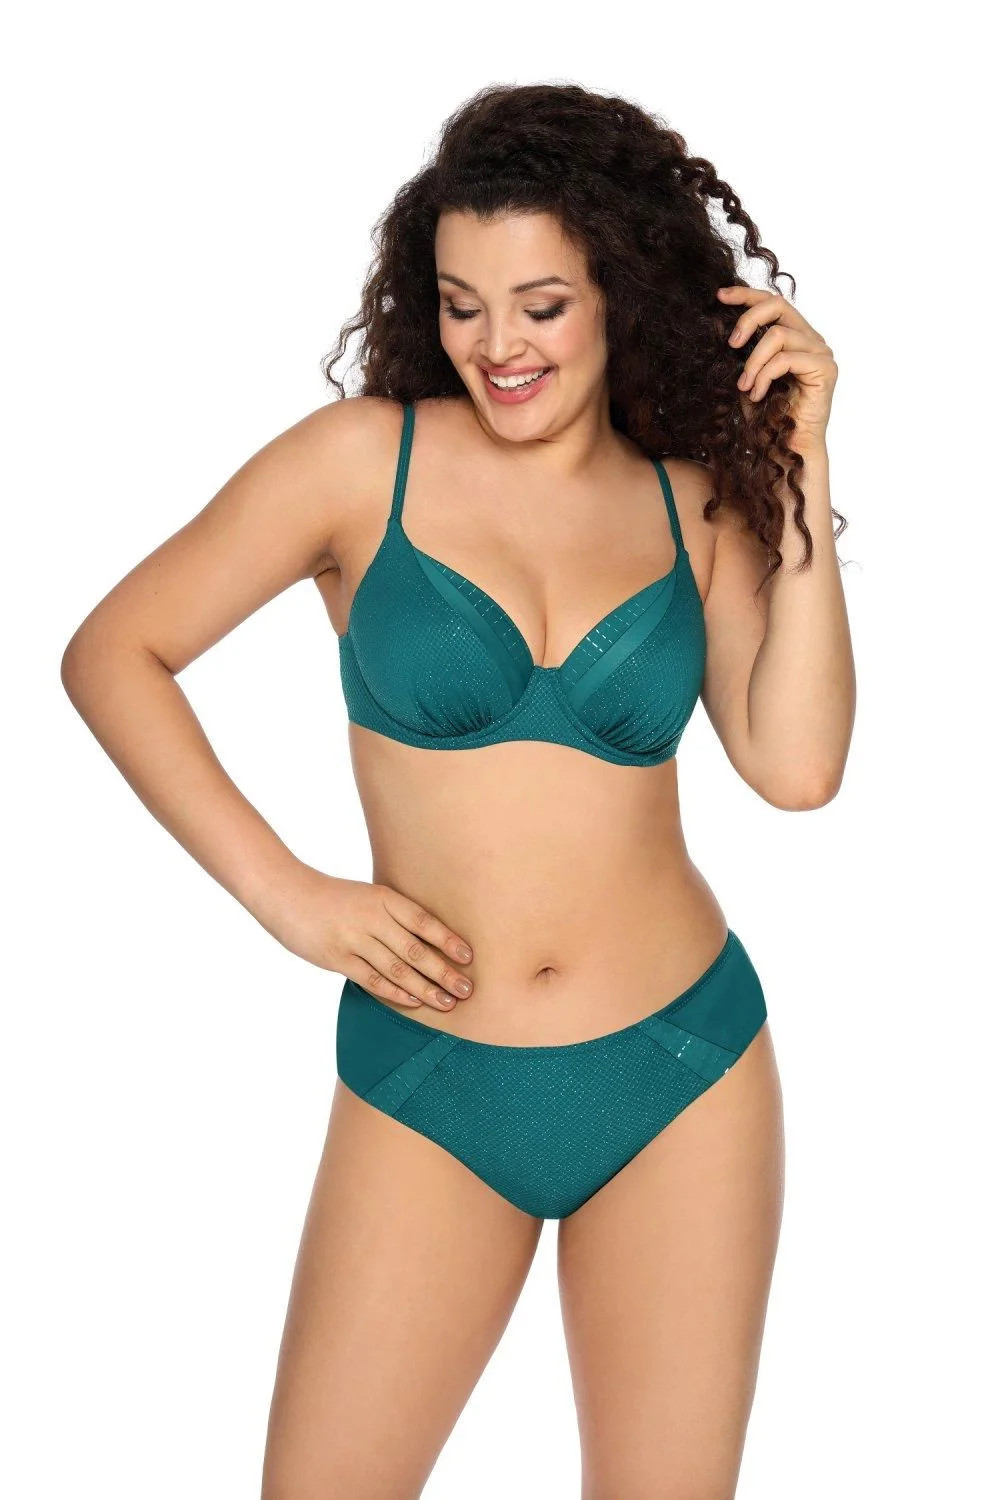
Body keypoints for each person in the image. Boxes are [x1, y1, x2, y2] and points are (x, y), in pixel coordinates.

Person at [61, 82, 854, 1500]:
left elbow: (797, 769)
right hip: (430, 1078)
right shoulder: (361, 464)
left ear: (618, 295)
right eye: (462, 304)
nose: (497, 347)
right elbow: (116, 652)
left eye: (541, 306)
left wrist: (800, 462)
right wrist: (288, 897)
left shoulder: (692, 502)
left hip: (683, 1070)